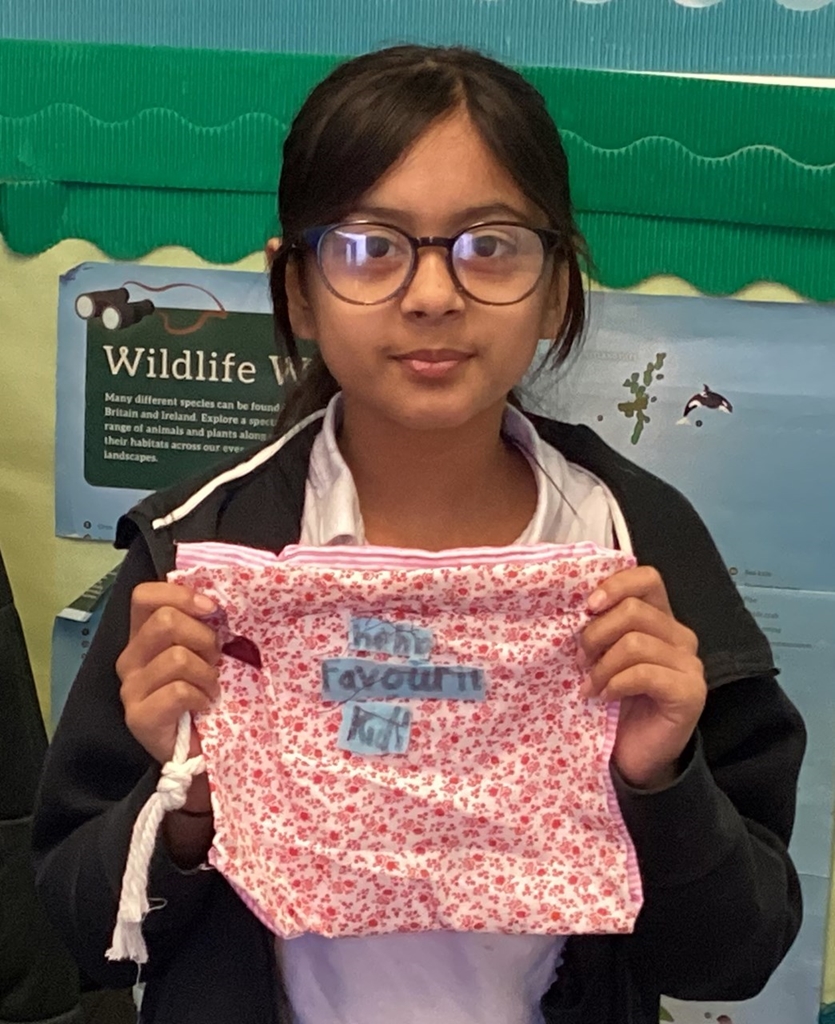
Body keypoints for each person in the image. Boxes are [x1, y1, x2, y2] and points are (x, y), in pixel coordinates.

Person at [34, 45, 805, 1024]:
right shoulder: (199, 561)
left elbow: (734, 956)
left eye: (490, 245)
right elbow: (82, 935)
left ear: (556, 285)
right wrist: (183, 802)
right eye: (370, 245)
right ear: (298, 289)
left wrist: (661, 779)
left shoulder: (636, 548)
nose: (433, 294)